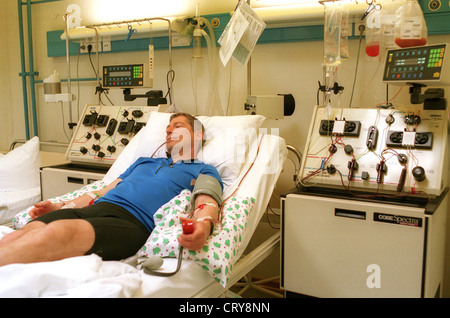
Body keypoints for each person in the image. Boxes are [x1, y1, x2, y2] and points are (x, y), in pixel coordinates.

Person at [0, 113, 223, 266]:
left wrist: (204, 226)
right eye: (167, 129)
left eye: (178, 127)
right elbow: (103, 190)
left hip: (132, 223)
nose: (169, 132)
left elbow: (208, 200)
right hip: (96, 208)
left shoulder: (203, 170)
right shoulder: (144, 161)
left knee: (55, 234)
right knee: (18, 236)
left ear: (198, 135)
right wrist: (61, 206)